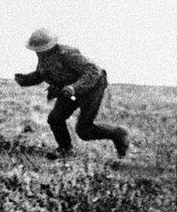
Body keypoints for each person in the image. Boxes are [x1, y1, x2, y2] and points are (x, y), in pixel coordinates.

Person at [14, 28, 129, 159]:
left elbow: (93, 71)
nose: (38, 53)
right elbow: (42, 74)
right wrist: (24, 80)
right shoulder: (44, 58)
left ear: (49, 47)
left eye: (41, 49)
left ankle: (119, 133)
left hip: (92, 88)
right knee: (55, 119)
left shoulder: (67, 54)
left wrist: (75, 88)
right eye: (36, 50)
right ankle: (65, 149)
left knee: (84, 131)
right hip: (69, 90)